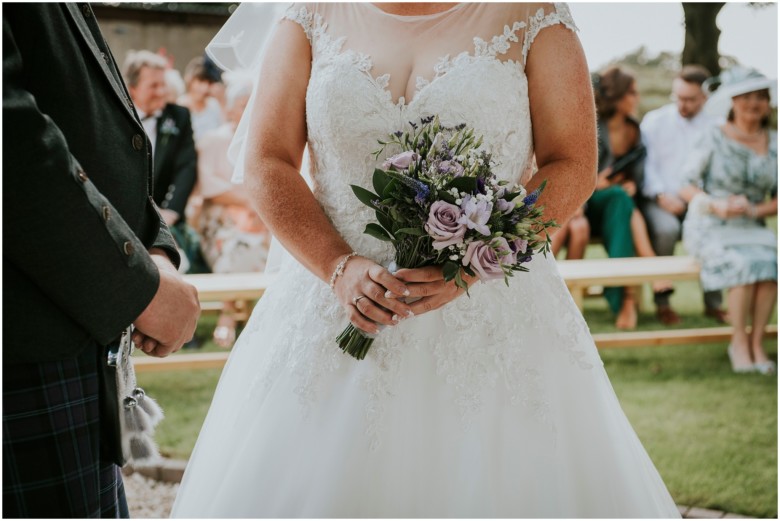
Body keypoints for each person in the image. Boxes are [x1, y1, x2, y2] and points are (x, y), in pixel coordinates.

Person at [171, 3, 680, 517]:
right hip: (333, 305)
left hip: (494, 310)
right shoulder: (308, 13)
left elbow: (571, 162)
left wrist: (478, 264)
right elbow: (267, 158)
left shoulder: (533, 13)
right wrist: (337, 266)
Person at [3, 4, 200, 517]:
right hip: (27, 342)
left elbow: (95, 128)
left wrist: (157, 249)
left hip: (73, 324)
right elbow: (15, 142)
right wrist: (140, 287)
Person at [679, 67, 777, 374]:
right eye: (746, 97)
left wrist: (753, 211)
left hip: (751, 225)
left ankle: (757, 344)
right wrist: (717, 205)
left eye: (760, 97)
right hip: (710, 224)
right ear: (733, 101)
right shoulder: (713, 136)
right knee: (742, 264)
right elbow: (685, 186)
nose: (754, 104)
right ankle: (738, 343)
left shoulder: (774, 142)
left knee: (770, 265)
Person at [589, 66, 678, 328]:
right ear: (617, 96)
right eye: (633, 93)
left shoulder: (635, 132)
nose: (637, 98)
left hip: (618, 206)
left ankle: (626, 298)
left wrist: (630, 185)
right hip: (587, 204)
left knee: (621, 199)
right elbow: (576, 168)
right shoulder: (592, 125)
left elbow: (638, 175)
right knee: (620, 201)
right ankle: (638, 284)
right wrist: (595, 182)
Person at [640, 65, 728, 323]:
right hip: (661, 199)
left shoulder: (717, 126)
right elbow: (647, 166)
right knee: (665, 230)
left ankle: (714, 302)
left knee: (712, 230)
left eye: (690, 99)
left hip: (700, 200)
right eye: (678, 97)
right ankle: (663, 303)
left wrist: (702, 198)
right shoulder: (655, 121)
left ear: (704, 98)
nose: (683, 104)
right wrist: (660, 196)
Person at [196, 71, 271, 348]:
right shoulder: (213, 140)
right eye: (244, 105)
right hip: (221, 218)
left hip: (262, 217)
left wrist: (257, 210)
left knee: (273, 245)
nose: (250, 111)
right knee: (236, 244)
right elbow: (209, 186)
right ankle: (228, 315)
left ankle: (258, 316)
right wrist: (247, 204)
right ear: (229, 109)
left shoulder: (265, 140)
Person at [124, 50, 206, 274]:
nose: (161, 92)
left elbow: (186, 166)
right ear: (132, 89)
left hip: (165, 215)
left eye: (163, 84)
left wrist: (170, 212)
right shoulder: (118, 117)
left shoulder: (179, 116)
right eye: (153, 86)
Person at [177, 56, 225, 141]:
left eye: (209, 83)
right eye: (200, 81)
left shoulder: (214, 105)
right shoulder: (180, 105)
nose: (205, 88)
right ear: (190, 80)